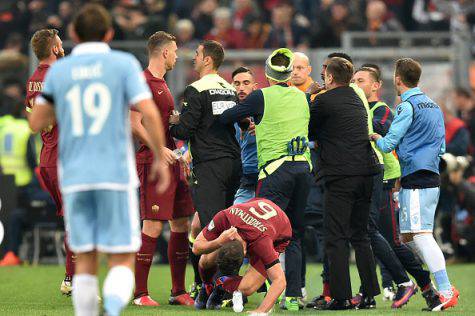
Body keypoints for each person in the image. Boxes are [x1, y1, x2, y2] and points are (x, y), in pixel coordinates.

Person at [28, 4, 170, 316]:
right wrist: (160, 155)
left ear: (75, 34)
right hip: (115, 173)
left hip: (75, 174)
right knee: (120, 257)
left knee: (86, 258)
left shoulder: (58, 72)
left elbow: (36, 121)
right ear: (108, 33)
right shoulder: (123, 64)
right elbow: (147, 112)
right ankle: (115, 305)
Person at [219, 48, 312, 311]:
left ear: (268, 74)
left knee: (264, 236)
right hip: (303, 169)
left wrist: (248, 118)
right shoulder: (303, 97)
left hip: (275, 172)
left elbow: (227, 117)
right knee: (293, 234)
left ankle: (260, 293)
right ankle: (292, 296)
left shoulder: (261, 96)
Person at [371, 58, 460, 311]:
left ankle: (445, 290)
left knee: (420, 236)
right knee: (408, 237)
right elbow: (442, 145)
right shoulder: (433, 105)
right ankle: (433, 287)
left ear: (398, 79)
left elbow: (388, 144)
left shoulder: (406, 106)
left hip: (417, 177)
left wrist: (375, 138)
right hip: (429, 175)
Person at [353, 65, 438, 308]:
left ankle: (422, 285)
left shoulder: (382, 111)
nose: (356, 84)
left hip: (385, 180)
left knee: (388, 240)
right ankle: (369, 291)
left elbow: (381, 135)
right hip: (367, 178)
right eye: (354, 80)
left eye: (361, 80)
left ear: (376, 85)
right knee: (368, 236)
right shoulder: (359, 108)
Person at [169, 40, 242, 308]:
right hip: (233, 162)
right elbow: (236, 122)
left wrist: (172, 121)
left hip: (210, 165)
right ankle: (216, 285)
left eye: (198, 54)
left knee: (215, 230)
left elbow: (184, 131)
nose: (194, 58)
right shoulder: (228, 88)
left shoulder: (196, 89)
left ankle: (219, 288)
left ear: (208, 60)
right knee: (225, 224)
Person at [308, 57, 381, 310]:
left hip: (341, 175)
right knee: (360, 235)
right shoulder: (357, 97)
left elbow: (310, 131)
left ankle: (341, 297)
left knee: (336, 236)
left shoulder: (323, 101)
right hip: (367, 172)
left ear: (329, 77)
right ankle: (369, 295)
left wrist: (311, 97)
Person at [130, 31, 194, 307]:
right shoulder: (142, 82)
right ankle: (139, 294)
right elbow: (133, 123)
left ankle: (178, 291)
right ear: (165, 52)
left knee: (181, 223)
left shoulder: (162, 84)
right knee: (153, 225)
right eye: (175, 51)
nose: (178, 56)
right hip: (153, 162)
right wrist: (158, 148)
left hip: (172, 162)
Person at [21, 28, 74, 295]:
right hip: (65, 157)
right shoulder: (60, 76)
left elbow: (34, 125)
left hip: (48, 158)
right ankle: (72, 279)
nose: (63, 47)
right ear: (54, 49)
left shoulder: (33, 80)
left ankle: (71, 276)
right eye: (61, 44)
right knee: (77, 220)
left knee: (71, 219)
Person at [192, 197, 291, 315]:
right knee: (206, 260)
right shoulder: (224, 216)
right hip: (254, 213)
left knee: (247, 288)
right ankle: (207, 286)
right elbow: (196, 247)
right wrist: (218, 241)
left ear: (246, 253)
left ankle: (221, 285)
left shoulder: (262, 243)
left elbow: (280, 281)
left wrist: (260, 311)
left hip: (279, 232)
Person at [231, 66, 258, 204]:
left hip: (258, 178)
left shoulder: (264, 111)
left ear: (254, 86)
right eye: (237, 83)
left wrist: (263, 128)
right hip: (233, 177)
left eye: (246, 83)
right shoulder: (226, 114)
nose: (241, 88)